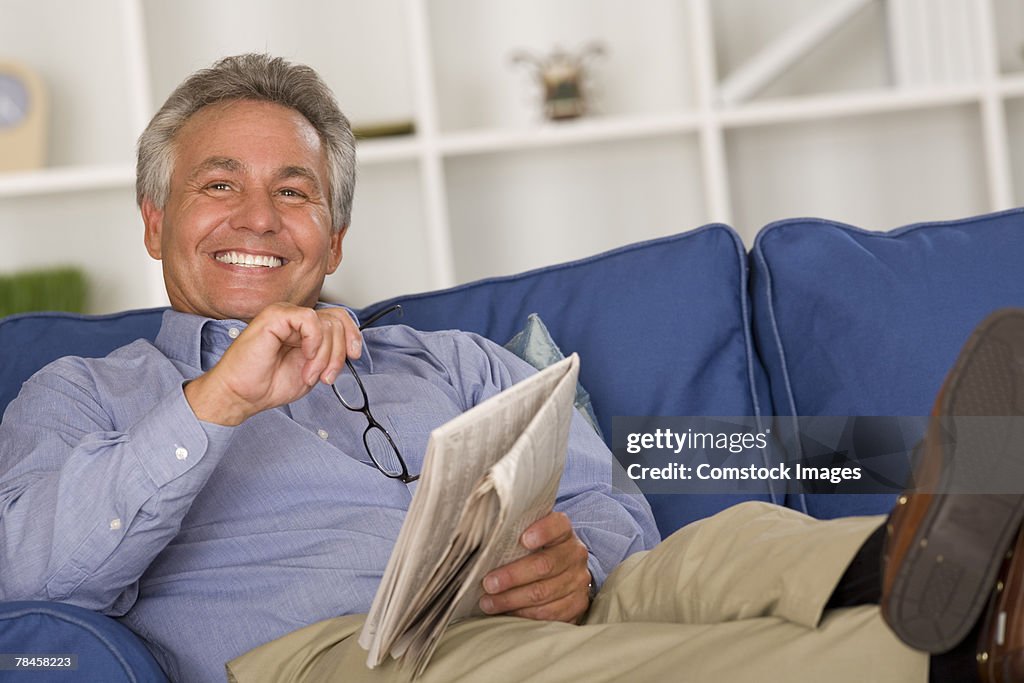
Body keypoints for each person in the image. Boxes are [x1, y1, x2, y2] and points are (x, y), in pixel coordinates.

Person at [0, 53, 1020, 683]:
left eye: (295, 191)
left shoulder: (452, 359)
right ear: (153, 220)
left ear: (335, 237)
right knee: (588, 666)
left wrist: (575, 558)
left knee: (738, 537)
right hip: (345, 656)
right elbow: (34, 573)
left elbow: (609, 500)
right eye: (218, 184)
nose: (259, 217)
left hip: (534, 617)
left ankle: (952, 561)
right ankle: (964, 641)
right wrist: (216, 399)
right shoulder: (87, 392)